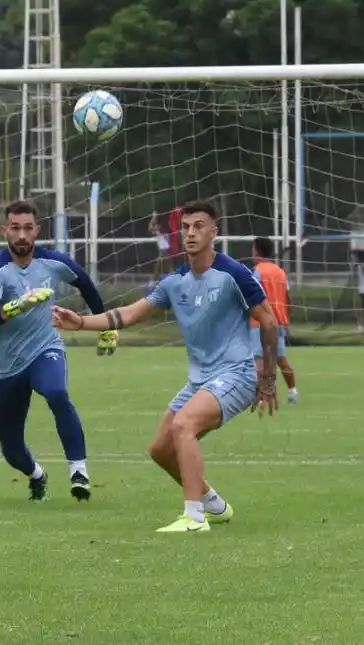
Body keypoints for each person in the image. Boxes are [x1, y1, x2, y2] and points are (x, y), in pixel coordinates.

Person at [52, 200, 279, 532]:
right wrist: (81, 322)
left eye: (198, 226)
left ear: (214, 232)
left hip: (237, 374)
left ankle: (194, 517)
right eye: (185, 227)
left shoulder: (234, 274)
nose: (190, 233)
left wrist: (268, 378)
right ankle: (213, 503)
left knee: (183, 425)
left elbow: (269, 321)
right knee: (160, 449)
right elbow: (129, 314)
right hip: (200, 380)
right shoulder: (175, 281)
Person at [0, 200, 115, 503]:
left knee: (56, 391)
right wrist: (16, 305)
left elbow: (88, 287)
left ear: (37, 230)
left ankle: (79, 471)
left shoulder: (54, 262)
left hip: (44, 350)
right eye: (15, 228)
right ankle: (37, 475)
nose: (22, 235)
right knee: (12, 451)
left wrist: (105, 327)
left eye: (28, 228)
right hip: (5, 367)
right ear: (5, 231)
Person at [250, 237, 299, 403]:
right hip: (278, 321)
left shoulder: (256, 272)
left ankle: (262, 396)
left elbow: (251, 297)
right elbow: (288, 297)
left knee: (258, 359)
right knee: (280, 358)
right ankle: (293, 392)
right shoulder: (280, 272)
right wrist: (286, 318)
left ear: (257, 251)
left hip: (260, 322)